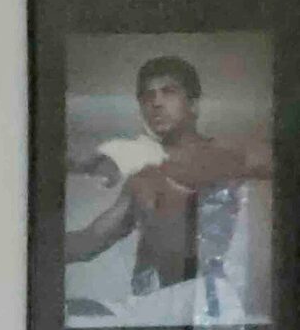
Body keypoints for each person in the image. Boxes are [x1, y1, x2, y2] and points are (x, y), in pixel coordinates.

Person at [65, 53, 272, 315]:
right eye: (146, 96)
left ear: (193, 104)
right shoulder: (140, 179)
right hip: (162, 306)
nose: (156, 103)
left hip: (213, 302)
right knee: (75, 311)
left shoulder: (233, 155)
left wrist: (130, 152)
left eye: (168, 92)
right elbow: (89, 240)